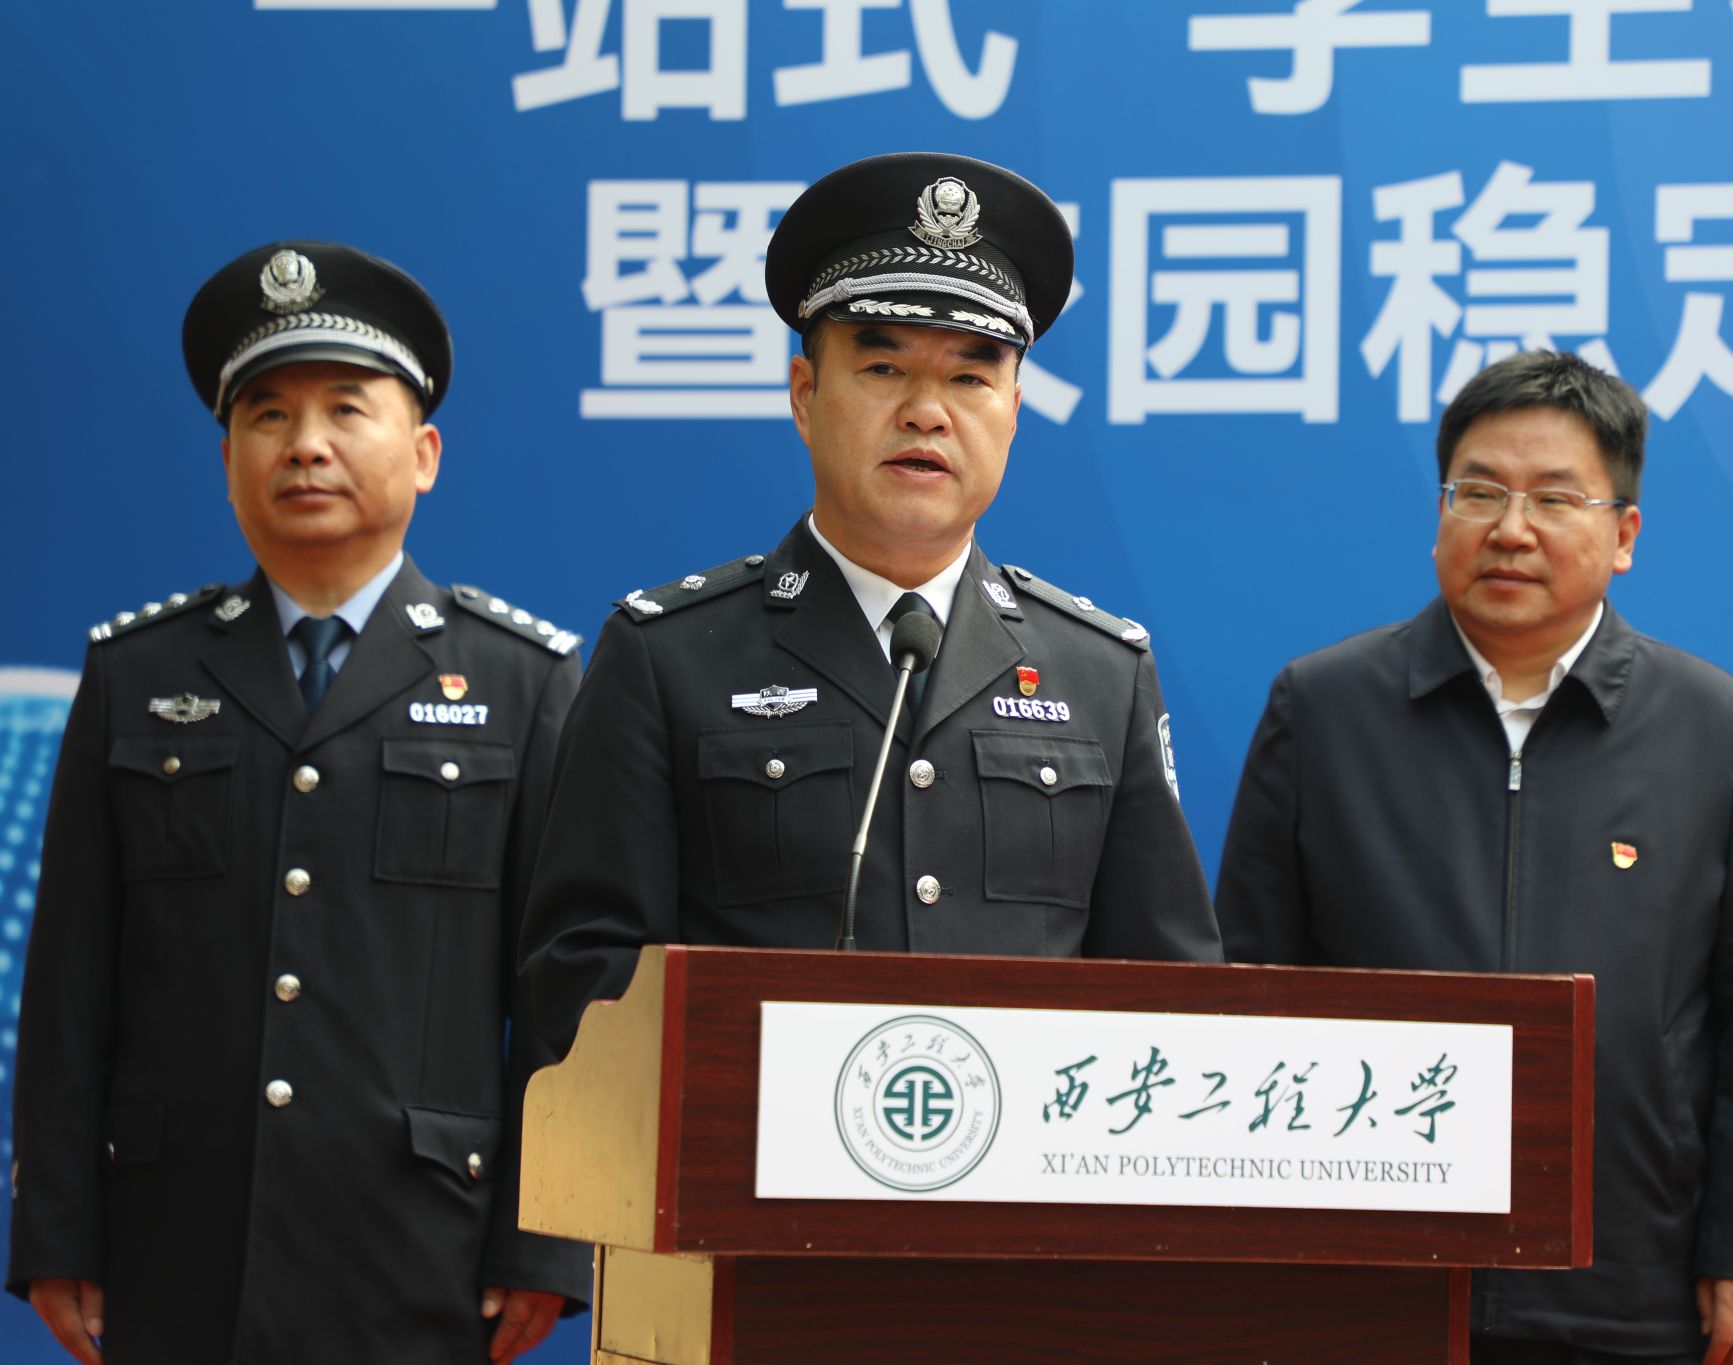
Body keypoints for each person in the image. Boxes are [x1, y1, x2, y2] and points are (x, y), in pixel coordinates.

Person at [7, 242, 588, 1363]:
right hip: (176, 1241)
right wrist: (57, 1224)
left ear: (423, 454)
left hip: (420, 1246)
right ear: (228, 461)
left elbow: (559, 996)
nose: (305, 444)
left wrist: (543, 1237)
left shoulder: (524, 681)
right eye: (267, 415)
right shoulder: (137, 672)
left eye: (345, 410)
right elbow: (73, 974)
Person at [521, 152, 1219, 1061]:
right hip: (750, 1147)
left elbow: (1172, 999)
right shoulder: (668, 658)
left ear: (1014, 411)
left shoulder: (1101, 673)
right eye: (884, 366)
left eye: (970, 378)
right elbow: (581, 984)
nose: (927, 412)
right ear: (805, 395)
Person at [1215, 350, 1733, 1365]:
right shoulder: (1322, 709)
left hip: (1624, 1272)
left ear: (1623, 534)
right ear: (1439, 515)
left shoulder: (1712, 728)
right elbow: (1245, 982)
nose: (1510, 528)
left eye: (1554, 498)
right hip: (1368, 1266)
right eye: (1479, 492)